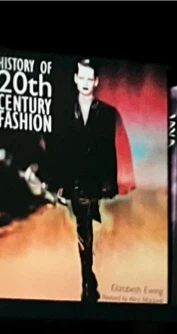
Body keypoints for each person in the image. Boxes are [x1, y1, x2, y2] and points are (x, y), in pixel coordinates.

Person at [56, 58, 120, 301]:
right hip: (73, 180)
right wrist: (60, 184)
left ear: (96, 81)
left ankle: (87, 275)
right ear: (75, 79)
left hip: (93, 179)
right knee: (84, 225)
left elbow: (109, 150)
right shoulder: (64, 112)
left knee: (86, 225)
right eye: (81, 77)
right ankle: (87, 274)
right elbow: (60, 151)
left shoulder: (107, 114)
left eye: (89, 78)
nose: (84, 82)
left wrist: (110, 182)